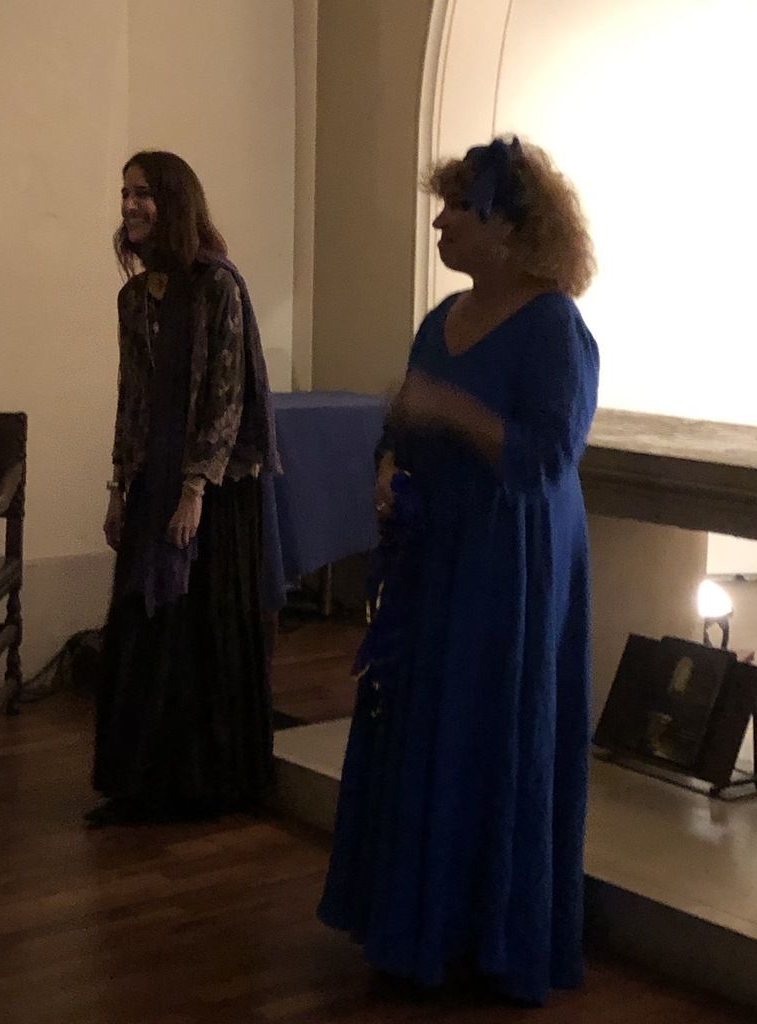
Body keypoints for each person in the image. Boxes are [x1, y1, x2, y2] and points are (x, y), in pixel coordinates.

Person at [318, 135, 599, 1007]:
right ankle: (415, 928)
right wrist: (386, 468)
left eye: (458, 208)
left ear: (509, 229)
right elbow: (401, 424)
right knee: (419, 727)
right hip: (432, 555)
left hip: (508, 566)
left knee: (484, 731)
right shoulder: (440, 317)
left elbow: (546, 459)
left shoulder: (555, 328)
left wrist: (451, 407)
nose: (440, 222)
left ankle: (485, 939)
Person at [89, 151, 279, 826]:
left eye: (142, 193)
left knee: (199, 634)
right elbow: (131, 399)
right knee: (144, 629)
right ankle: (138, 784)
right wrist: (119, 487)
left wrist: (195, 488)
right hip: (153, 478)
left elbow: (229, 393)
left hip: (215, 486)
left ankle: (206, 787)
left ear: (174, 202)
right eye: (125, 193)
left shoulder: (218, 285)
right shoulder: (134, 298)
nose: (130, 205)